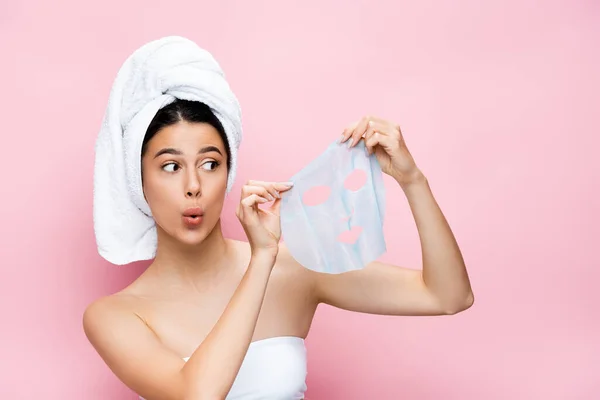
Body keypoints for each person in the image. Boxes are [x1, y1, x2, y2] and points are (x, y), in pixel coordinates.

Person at [83, 40, 474, 400]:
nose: (193, 186)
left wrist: (412, 180)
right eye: (170, 166)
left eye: (210, 164)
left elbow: (448, 296)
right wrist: (261, 258)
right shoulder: (115, 315)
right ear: (138, 182)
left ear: (228, 171)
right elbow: (197, 395)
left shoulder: (295, 267)